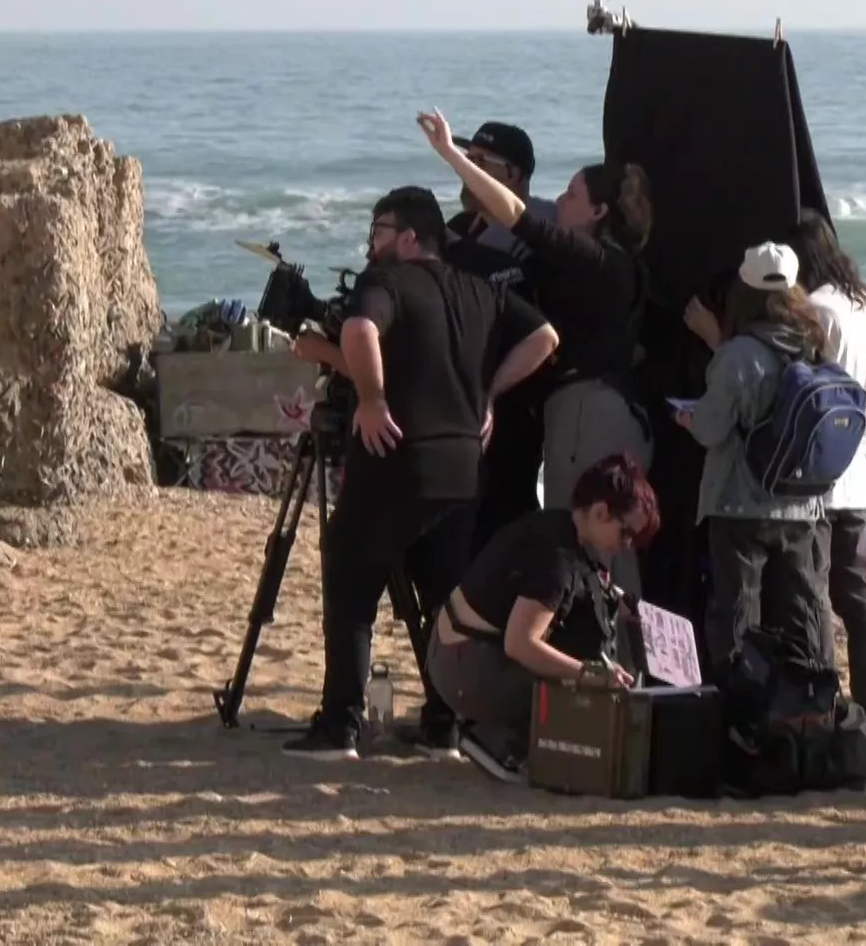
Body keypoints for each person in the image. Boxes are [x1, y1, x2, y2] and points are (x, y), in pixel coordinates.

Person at [282, 186, 561, 762]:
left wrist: (371, 399)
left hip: (396, 457)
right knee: (442, 594)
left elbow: (362, 333)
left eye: (379, 230)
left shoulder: (385, 282)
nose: (372, 242)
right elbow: (544, 337)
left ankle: (340, 726)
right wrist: (489, 394)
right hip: (462, 463)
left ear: (410, 236)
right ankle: (443, 724)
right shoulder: (478, 290)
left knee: (352, 580)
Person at [420, 109, 656, 597]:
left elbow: (522, 218)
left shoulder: (597, 259)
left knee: (597, 544)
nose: (561, 203)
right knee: (596, 543)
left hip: (590, 410)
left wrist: (448, 153)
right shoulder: (603, 262)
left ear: (597, 213)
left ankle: (625, 665)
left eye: (571, 196)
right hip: (590, 406)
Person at [427, 454, 660, 777]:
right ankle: (493, 738)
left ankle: (502, 731)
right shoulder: (555, 559)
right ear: (600, 512)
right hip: (464, 665)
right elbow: (520, 643)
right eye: (626, 533)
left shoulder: (561, 527)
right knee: (580, 685)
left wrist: (620, 604)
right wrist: (590, 674)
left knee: (583, 649)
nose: (627, 545)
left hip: (457, 649)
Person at [677, 242, 839, 677]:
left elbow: (711, 429)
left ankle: (740, 705)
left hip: (740, 501)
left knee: (737, 615)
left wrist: (687, 417)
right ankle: (813, 694)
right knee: (802, 607)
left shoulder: (737, 355)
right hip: (802, 499)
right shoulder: (815, 342)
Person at [780, 210, 866, 746]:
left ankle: (825, 698)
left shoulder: (817, 309)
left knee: (815, 591)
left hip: (820, 477)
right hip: (859, 472)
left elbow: (795, 381)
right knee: (857, 593)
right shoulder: (862, 304)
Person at [438, 121, 560, 560]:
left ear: (515, 177)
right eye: (466, 161)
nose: (468, 171)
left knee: (507, 514)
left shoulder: (543, 224)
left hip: (518, 398)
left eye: (481, 163)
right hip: (465, 398)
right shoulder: (458, 228)